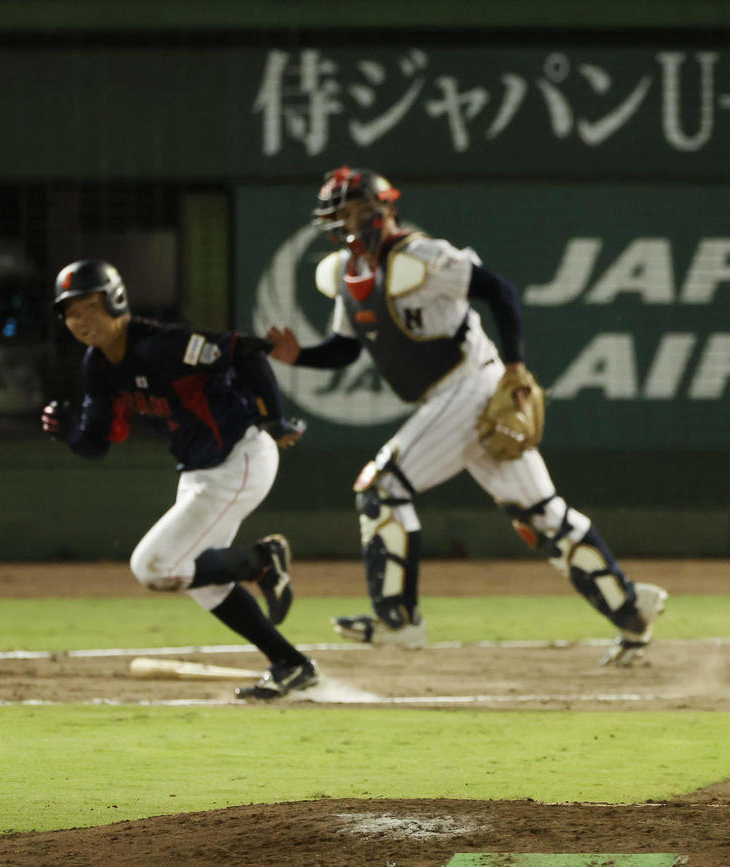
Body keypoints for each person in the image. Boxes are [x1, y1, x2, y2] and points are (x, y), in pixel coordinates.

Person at [263, 166, 667, 666]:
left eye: (352, 212)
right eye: (338, 216)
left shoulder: (424, 256)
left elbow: (500, 291)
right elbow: (346, 349)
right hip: (448, 398)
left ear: (380, 208)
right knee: (540, 516)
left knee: (381, 487)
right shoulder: (350, 275)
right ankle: (631, 611)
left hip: (473, 386)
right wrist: (296, 355)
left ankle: (398, 620)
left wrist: (515, 367)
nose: (345, 224)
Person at [40, 259, 318, 700]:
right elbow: (94, 445)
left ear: (114, 300)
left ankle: (260, 563)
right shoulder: (98, 366)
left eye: (88, 307)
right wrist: (67, 430)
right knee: (201, 583)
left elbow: (244, 351)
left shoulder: (163, 345)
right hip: (200, 469)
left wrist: (274, 419)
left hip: (239, 456)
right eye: (70, 313)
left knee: (153, 565)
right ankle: (291, 664)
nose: (80, 321)